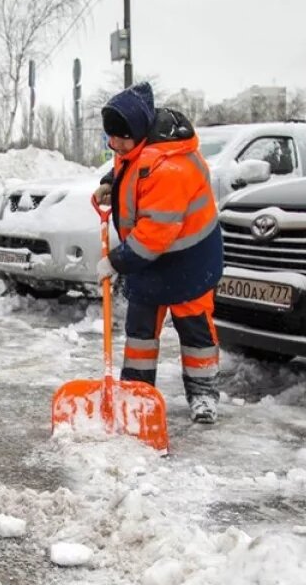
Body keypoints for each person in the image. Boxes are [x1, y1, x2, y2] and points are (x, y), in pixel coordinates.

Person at [93, 82, 224, 424]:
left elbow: (153, 235)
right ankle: (136, 394)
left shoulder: (171, 168)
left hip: (189, 259)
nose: (115, 145)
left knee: (195, 332)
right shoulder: (137, 143)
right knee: (140, 333)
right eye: (111, 138)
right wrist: (110, 181)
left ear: (139, 132)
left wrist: (115, 261)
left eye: (121, 139)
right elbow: (127, 163)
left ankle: (203, 395)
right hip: (149, 261)